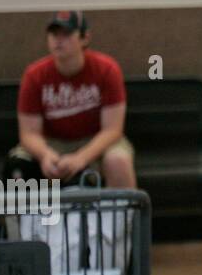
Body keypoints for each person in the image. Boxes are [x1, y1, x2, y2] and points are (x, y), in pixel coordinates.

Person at [8, 11, 137, 188]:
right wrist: (45, 155)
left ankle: (123, 216)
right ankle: (21, 216)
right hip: (50, 142)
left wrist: (81, 157)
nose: (58, 40)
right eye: (54, 34)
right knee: (18, 163)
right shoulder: (34, 75)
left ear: (85, 38)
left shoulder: (107, 69)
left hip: (96, 141)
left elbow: (112, 130)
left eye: (67, 34)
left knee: (118, 161)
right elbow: (29, 134)